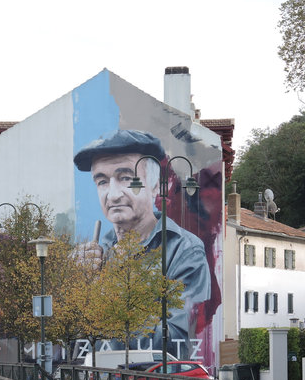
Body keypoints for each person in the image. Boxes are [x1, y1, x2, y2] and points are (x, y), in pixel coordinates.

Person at [73, 129, 210, 358]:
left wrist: (104, 297)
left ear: (156, 186)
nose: (113, 195)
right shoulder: (96, 253)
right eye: (102, 181)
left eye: (126, 178)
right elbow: (70, 343)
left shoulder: (185, 250)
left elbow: (178, 341)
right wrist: (72, 288)